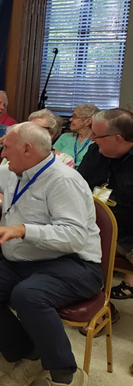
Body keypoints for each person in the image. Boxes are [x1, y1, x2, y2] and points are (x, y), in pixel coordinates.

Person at [0, 122, 102, 386]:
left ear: (27, 149)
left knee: (29, 295)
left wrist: (22, 230)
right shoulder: (15, 171)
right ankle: (31, 355)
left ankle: (66, 375)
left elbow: (74, 236)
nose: (1, 153)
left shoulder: (62, 180)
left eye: (6, 147)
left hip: (75, 263)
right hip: (27, 262)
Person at [78, 108, 133, 301]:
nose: (92, 139)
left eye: (97, 135)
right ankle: (96, 303)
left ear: (117, 138)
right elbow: (79, 184)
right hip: (89, 223)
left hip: (127, 234)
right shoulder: (96, 152)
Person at [54, 104, 98, 169]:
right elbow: (53, 159)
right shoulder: (64, 137)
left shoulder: (96, 141)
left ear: (88, 122)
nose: (70, 119)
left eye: (74, 117)